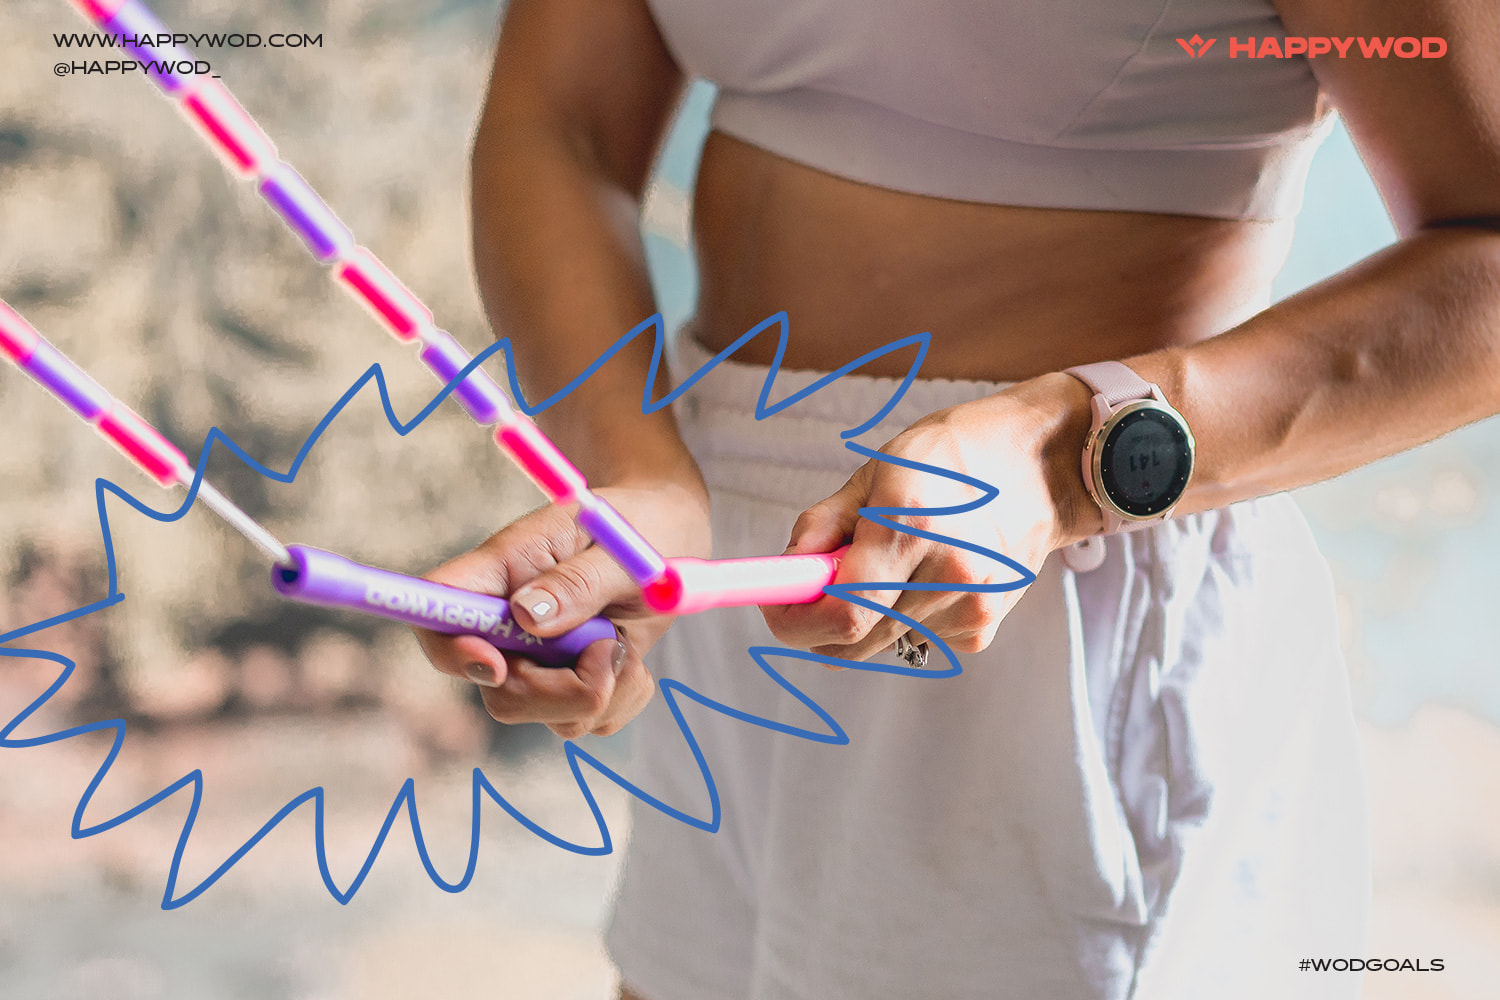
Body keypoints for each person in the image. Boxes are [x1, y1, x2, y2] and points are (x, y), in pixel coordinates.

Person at [417, 1, 1500, 997]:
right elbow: (559, 128)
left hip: (1059, 608)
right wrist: (641, 474)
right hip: (725, 575)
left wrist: (1060, 457)